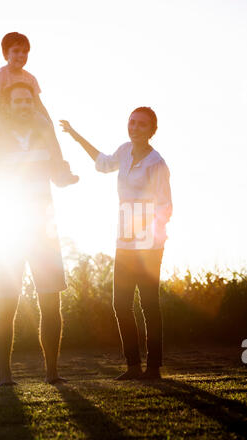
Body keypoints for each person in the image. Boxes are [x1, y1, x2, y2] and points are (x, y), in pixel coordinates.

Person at [60, 107, 172, 380]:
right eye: (131, 122)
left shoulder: (157, 163)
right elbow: (102, 162)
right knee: (120, 304)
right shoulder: (124, 152)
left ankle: (153, 368)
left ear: (152, 130)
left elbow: (166, 207)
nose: (134, 127)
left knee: (148, 305)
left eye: (141, 124)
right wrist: (75, 135)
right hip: (124, 240)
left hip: (149, 245)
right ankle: (133, 366)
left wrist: (147, 233)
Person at [0, 82, 68, 386]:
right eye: (19, 102)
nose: (25, 106)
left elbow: (59, 174)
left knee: (51, 303)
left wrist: (66, 176)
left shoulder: (45, 137)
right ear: (8, 106)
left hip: (45, 232)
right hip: (8, 231)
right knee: (6, 302)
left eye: (29, 101)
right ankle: (4, 375)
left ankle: (52, 373)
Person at [0, 31, 78, 187]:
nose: (21, 55)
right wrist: (1, 124)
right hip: (6, 115)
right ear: (5, 54)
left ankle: (60, 172)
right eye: (16, 51)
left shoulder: (30, 78)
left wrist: (48, 123)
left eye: (25, 52)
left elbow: (38, 103)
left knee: (48, 134)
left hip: (29, 116)